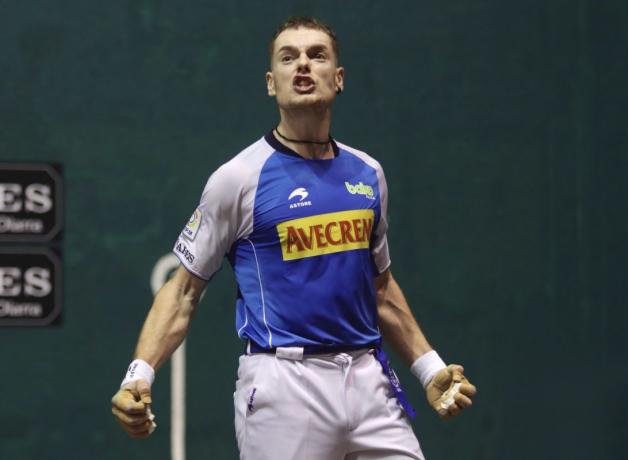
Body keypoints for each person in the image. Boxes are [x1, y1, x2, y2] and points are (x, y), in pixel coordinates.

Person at [111, 16, 477, 459]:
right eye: (289, 58)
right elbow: (184, 291)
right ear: (272, 83)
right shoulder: (238, 179)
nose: (302, 65)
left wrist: (429, 368)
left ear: (338, 79)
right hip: (283, 386)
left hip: (369, 379)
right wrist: (138, 375)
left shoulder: (368, 174)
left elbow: (379, 288)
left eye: (316, 55)